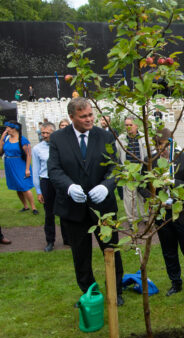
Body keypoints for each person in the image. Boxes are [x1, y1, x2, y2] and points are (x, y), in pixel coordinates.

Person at [48, 97, 125, 306]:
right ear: (71, 117)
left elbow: (115, 167)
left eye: (91, 114)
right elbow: (54, 170)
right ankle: (89, 292)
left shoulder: (106, 137)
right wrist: (69, 186)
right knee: (80, 256)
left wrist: (106, 186)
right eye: (83, 117)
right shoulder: (57, 139)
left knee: (111, 251)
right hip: (73, 209)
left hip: (104, 208)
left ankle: (115, 291)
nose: (89, 119)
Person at [138, 130, 184, 296]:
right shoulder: (151, 162)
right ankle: (175, 282)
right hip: (162, 214)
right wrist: (154, 199)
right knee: (169, 251)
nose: (162, 150)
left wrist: (173, 181)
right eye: (158, 146)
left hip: (183, 213)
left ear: (171, 143)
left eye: (165, 146)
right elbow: (141, 186)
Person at [32, 122, 69, 252]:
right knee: (49, 213)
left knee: (64, 210)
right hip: (46, 182)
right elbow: (35, 170)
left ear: (54, 133)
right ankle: (50, 241)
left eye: (48, 133)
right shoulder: (37, 149)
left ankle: (67, 239)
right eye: (43, 133)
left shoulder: (61, 146)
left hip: (60, 181)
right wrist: (38, 191)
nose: (45, 135)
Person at [0, 121, 38, 214]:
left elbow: (28, 155)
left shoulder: (23, 140)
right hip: (9, 164)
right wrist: (1, 139)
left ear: (14, 128)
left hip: (20, 164)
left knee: (24, 186)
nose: (6, 129)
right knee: (17, 186)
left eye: (8, 127)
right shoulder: (6, 138)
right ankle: (25, 206)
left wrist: (27, 169)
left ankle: (34, 208)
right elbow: (0, 151)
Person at [118, 116, 146, 224]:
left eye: (131, 125)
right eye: (126, 125)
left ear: (136, 125)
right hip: (128, 173)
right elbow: (117, 155)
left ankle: (146, 218)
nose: (129, 127)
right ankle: (132, 220)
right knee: (130, 198)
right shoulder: (121, 139)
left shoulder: (143, 137)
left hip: (141, 172)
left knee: (143, 196)